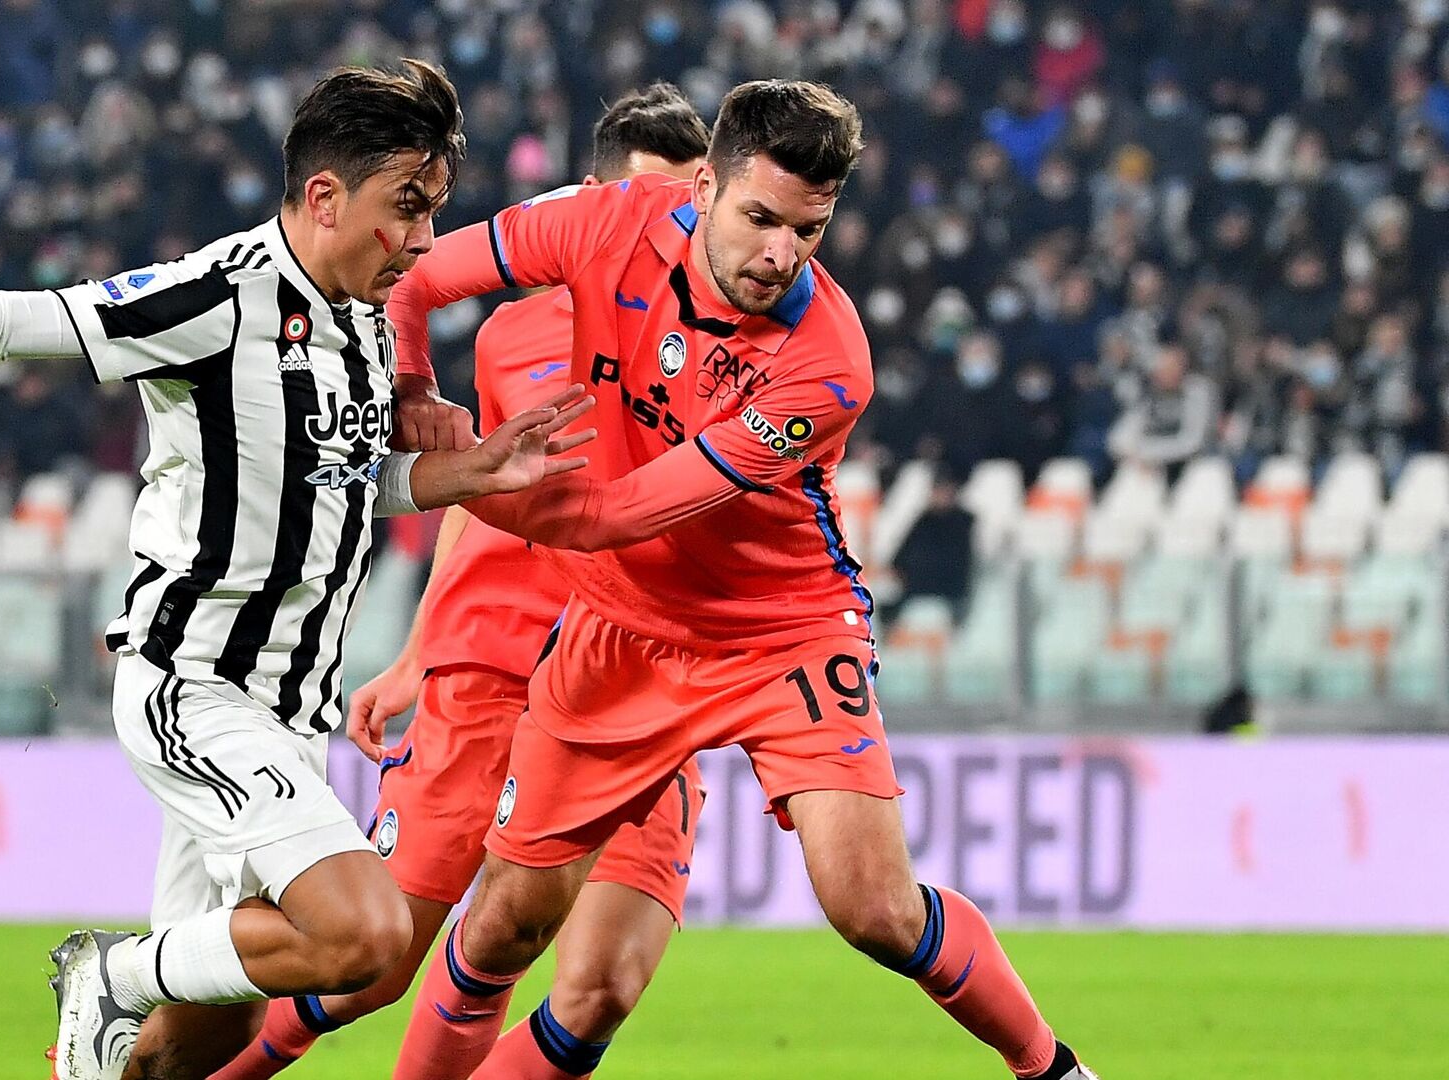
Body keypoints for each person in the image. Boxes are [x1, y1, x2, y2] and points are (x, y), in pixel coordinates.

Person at [0, 60, 594, 1080]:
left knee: (198, 1046)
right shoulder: (218, 296)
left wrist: (462, 473)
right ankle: (113, 976)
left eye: (433, 212)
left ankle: (119, 1019)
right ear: (325, 196)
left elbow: (341, 482)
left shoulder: (361, 318)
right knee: (368, 938)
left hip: (289, 711)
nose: (421, 240)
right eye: (406, 209)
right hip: (197, 687)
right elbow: (12, 322)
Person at [385, 80, 1096, 1080]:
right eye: (760, 218)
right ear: (704, 185)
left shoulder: (827, 363)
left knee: (877, 910)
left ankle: (1053, 1070)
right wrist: (413, 387)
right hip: (622, 633)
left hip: (784, 632)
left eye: (807, 230)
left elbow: (617, 514)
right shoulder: (604, 223)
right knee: (504, 926)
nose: (779, 253)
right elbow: (411, 281)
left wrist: (431, 485)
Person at [202, 82, 712, 1080]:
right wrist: (419, 654)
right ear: (590, 204)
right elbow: (481, 513)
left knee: (600, 988)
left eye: (686, 204)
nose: (669, 227)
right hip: (494, 670)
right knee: (371, 963)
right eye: (647, 204)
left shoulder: (721, 345)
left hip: (643, 684)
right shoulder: (513, 334)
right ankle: (164, 1057)